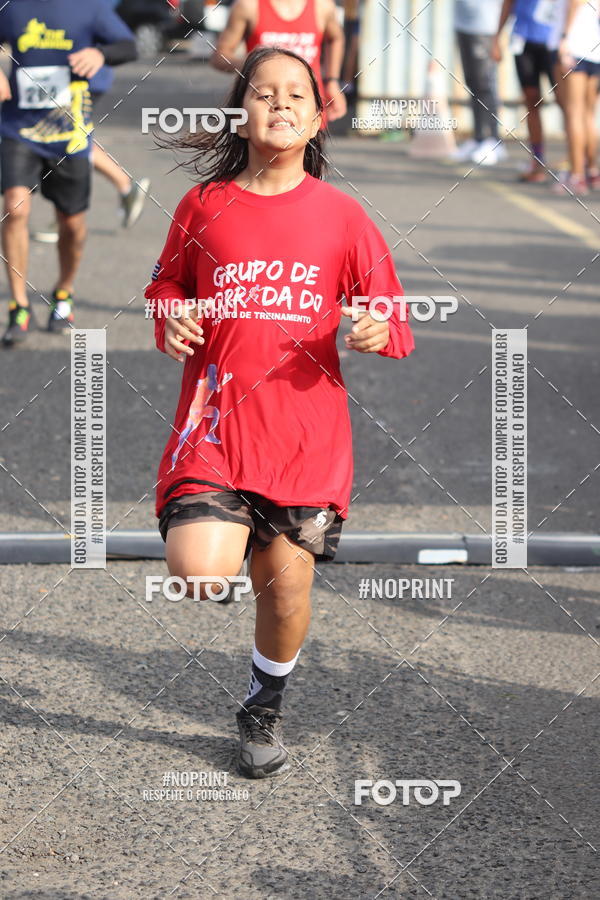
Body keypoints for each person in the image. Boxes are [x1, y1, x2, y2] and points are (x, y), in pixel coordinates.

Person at [145, 46, 414, 778]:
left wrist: (377, 326)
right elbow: (166, 285)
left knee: (286, 588)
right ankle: (223, 533)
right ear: (243, 111)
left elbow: (395, 319)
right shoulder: (205, 206)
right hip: (217, 428)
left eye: (298, 94)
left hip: (305, 440)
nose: (282, 104)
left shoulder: (343, 215)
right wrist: (168, 317)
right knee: (203, 571)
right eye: (265, 94)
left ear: (319, 115)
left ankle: (263, 705)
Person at [0, 0, 137, 346]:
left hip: (71, 135)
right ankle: (19, 304)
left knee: (71, 225)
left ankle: (64, 291)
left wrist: (101, 54)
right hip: (19, 129)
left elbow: (128, 45)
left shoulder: (88, 7)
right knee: (15, 206)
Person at [210, 0, 347, 123]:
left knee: (307, 151)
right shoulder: (248, 6)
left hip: (306, 110)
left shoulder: (322, 6)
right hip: (263, 111)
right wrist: (252, 63)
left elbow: (335, 38)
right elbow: (219, 57)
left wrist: (332, 81)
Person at [492, 0, 563, 182]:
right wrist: (496, 37)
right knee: (531, 101)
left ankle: (582, 165)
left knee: (566, 103)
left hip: (553, 43)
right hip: (523, 40)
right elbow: (508, 3)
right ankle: (537, 162)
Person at [548, 0, 600, 195]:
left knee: (573, 113)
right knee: (587, 114)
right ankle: (592, 171)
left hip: (573, 47)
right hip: (592, 49)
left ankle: (576, 176)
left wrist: (564, 37)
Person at [453, 0, 506, 165]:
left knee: (485, 84)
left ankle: (493, 140)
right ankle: (479, 138)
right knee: (473, 83)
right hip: (463, 24)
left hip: (485, 26)